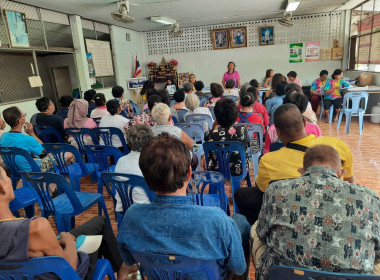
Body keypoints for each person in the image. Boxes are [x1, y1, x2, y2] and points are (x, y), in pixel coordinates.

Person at [117, 134, 251, 279]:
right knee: (240, 221)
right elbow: (238, 268)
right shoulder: (218, 220)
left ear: (145, 177)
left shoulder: (132, 217)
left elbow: (129, 260)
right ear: (189, 173)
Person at [252, 145, 380, 280]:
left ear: (301, 171)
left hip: (284, 275)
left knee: (255, 228)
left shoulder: (275, 190)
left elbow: (262, 234)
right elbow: (377, 254)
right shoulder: (371, 198)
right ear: (341, 173)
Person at [0, 166, 137, 280]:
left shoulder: (22, 231)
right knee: (98, 228)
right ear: (2, 187)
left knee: (97, 223)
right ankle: (121, 270)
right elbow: (69, 269)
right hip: (66, 274)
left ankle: (119, 268)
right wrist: (69, 242)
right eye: (6, 177)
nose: (9, 180)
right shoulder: (35, 227)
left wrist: (37, 252)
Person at [234, 104, 353, 225]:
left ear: (278, 132)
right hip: (331, 211)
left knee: (244, 194)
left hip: (288, 216)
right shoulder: (337, 146)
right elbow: (349, 185)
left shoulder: (268, 160)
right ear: (304, 121)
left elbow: (263, 190)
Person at [204, 98, 250, 176]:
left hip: (215, 171)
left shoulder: (209, 134)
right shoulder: (242, 131)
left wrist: (214, 126)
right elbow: (248, 145)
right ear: (235, 116)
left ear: (216, 116)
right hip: (239, 170)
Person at [114, 125, 153, 212]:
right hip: (146, 212)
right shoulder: (151, 163)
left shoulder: (121, 161)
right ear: (150, 143)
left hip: (124, 210)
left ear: (128, 141)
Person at [1, 107, 52, 172]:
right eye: (23, 115)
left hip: (15, 170)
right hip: (33, 169)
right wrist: (31, 133)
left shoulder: (3, 137)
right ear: (20, 121)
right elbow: (44, 150)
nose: (24, 117)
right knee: (67, 154)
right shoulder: (27, 139)